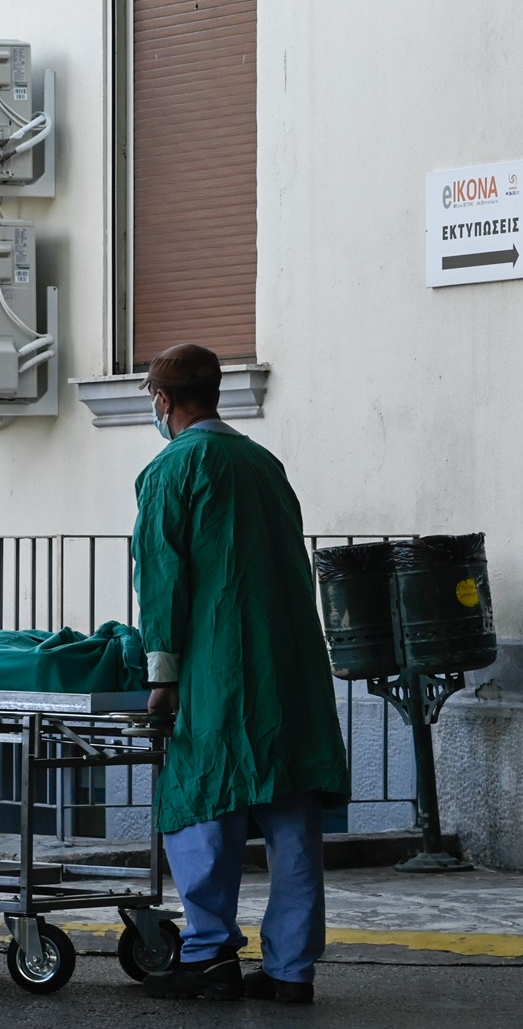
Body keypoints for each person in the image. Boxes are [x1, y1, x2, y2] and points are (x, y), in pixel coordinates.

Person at [131, 344, 349, 1003]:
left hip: (215, 667)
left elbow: (163, 579)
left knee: (205, 801)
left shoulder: (172, 469)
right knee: (291, 820)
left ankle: (208, 956)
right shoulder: (264, 464)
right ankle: (290, 971)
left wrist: (162, 672)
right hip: (287, 668)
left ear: (163, 401)